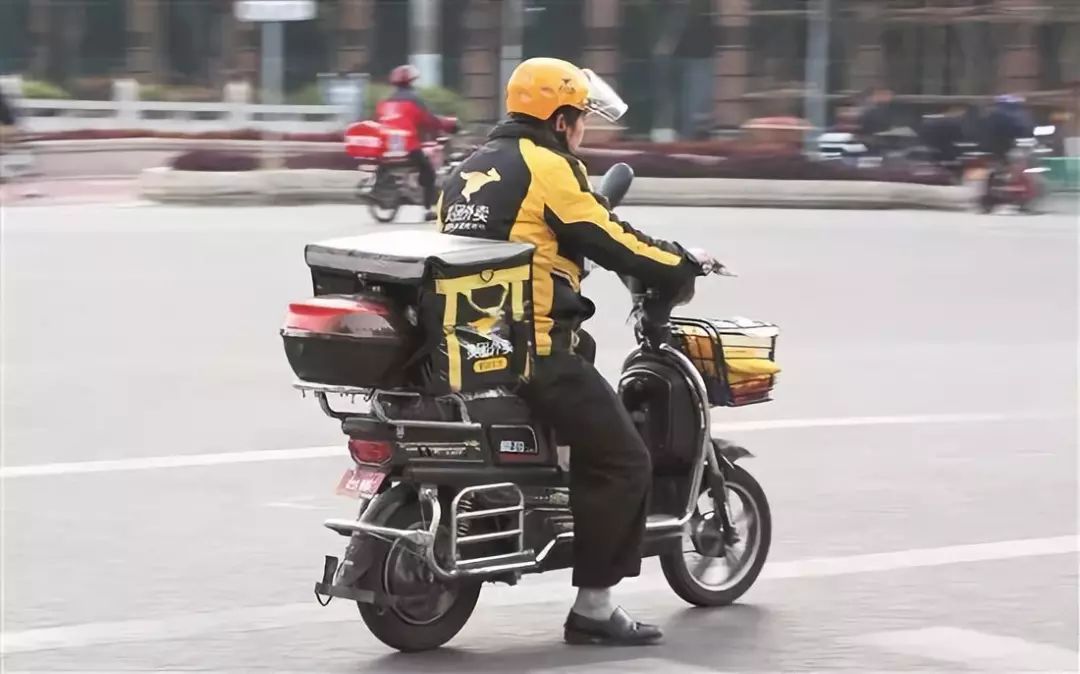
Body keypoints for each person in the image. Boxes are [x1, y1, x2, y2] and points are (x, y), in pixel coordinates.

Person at [437, 57, 715, 646]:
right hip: (534, 353)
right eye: (580, 119)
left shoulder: (466, 170)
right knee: (623, 459)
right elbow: (608, 238)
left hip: (470, 349)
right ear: (561, 121)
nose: (583, 130)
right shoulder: (550, 168)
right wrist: (680, 263)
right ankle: (593, 608)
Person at [374, 64, 454, 220]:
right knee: (428, 172)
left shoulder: (386, 102)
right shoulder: (414, 99)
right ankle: (427, 210)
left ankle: (381, 190)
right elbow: (428, 120)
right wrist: (447, 124)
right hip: (408, 146)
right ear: (411, 81)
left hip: (387, 148)